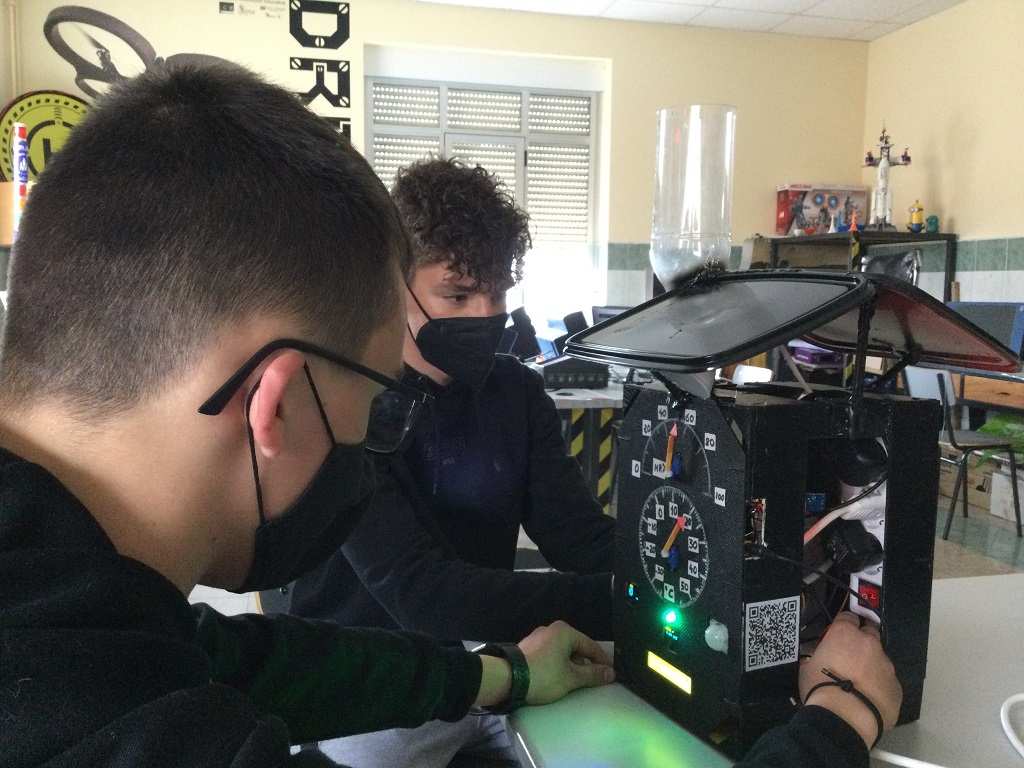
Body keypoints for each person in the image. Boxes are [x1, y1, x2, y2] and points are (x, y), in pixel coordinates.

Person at [0, 63, 615, 768]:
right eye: (372, 410)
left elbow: (236, 657)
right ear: (278, 404)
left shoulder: (83, 604)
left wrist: (506, 675)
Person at [287, 157, 615, 766]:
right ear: (395, 287)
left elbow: (579, 536)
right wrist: (623, 602)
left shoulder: (517, 394)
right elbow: (419, 592)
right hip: (380, 680)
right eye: (458, 295)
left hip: (505, 661)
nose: (485, 315)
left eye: (499, 293)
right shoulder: (351, 400)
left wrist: (673, 578)